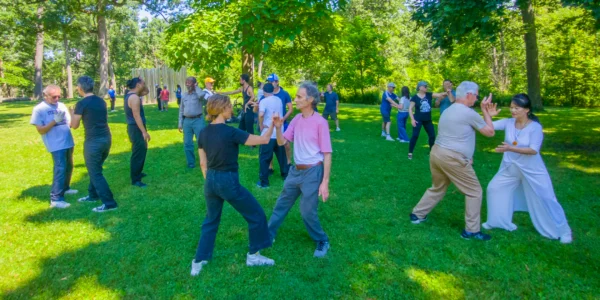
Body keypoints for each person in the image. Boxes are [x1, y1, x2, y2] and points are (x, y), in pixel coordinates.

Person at [191, 94, 278, 276]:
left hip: (210, 181)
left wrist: (211, 180)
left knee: (211, 220)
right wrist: (272, 128)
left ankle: (199, 261)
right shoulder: (230, 132)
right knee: (256, 215)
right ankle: (254, 256)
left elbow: (202, 163)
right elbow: (262, 140)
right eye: (229, 106)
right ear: (222, 109)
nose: (231, 109)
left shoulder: (204, 132)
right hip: (227, 181)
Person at [409, 81, 499, 240]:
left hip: (437, 154)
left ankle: (417, 214)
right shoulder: (468, 112)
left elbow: (459, 134)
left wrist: (468, 155)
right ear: (469, 95)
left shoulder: (448, 111)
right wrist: (485, 111)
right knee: (474, 192)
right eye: (476, 96)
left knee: (438, 187)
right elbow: (490, 132)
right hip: (452, 157)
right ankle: (471, 231)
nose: (477, 99)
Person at [483, 94, 572, 243]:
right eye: (511, 107)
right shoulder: (509, 122)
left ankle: (564, 231)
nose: (513, 110)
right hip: (510, 168)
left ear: (527, 110)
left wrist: (510, 148)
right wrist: (487, 114)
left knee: (546, 198)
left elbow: (533, 150)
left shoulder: (535, 127)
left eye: (516, 108)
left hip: (533, 170)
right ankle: (498, 222)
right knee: (494, 188)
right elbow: (488, 128)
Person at [268, 82, 333, 258]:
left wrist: (325, 182)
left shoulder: (321, 122)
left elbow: (327, 154)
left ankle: (322, 239)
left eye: (299, 97)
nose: (295, 99)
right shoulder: (296, 119)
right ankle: (268, 234)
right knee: (282, 203)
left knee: (307, 211)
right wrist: (279, 127)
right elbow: (282, 143)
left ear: (310, 100)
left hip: (313, 172)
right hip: (295, 171)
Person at [70, 76, 118, 213]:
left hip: (93, 142)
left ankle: (109, 203)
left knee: (95, 172)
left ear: (80, 88)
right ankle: (93, 195)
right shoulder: (101, 101)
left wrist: (71, 113)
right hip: (106, 139)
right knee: (95, 168)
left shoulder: (81, 104)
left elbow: (74, 125)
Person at [30, 85, 78, 209]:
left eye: (58, 96)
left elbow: (70, 124)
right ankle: (56, 199)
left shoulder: (61, 106)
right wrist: (54, 121)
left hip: (67, 141)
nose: (57, 99)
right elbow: (41, 130)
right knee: (60, 168)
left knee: (69, 166)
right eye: (53, 97)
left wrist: (73, 114)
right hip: (55, 144)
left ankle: (65, 188)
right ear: (45, 96)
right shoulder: (39, 109)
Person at [257, 83, 288, 188]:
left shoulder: (264, 101)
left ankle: (264, 182)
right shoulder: (278, 100)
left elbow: (261, 114)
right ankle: (285, 175)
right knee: (282, 156)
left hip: (268, 133)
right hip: (279, 132)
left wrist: (261, 125)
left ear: (264, 91)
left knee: (264, 158)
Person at [408, 81, 447, 160]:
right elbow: (410, 109)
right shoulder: (415, 97)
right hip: (418, 120)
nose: (426, 87)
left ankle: (431, 152)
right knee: (415, 136)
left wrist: (447, 92)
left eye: (426, 86)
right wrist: (412, 119)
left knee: (432, 135)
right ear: (420, 87)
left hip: (428, 120)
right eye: (425, 86)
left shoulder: (429, 95)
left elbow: (439, 94)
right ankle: (410, 153)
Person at [124, 77, 151, 188]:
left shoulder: (130, 94)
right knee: (138, 153)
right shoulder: (134, 98)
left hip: (135, 127)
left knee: (142, 150)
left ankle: (138, 172)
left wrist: (142, 84)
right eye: (143, 83)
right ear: (138, 85)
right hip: (136, 128)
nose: (144, 85)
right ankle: (135, 179)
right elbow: (136, 116)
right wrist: (144, 132)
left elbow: (146, 91)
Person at [178, 77, 207, 169]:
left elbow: (202, 95)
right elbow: (181, 110)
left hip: (198, 120)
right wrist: (180, 123)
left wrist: (196, 87)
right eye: (186, 82)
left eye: (189, 82)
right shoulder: (184, 95)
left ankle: (205, 160)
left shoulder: (198, 94)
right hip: (187, 121)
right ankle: (191, 163)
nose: (187, 84)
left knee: (202, 141)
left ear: (194, 84)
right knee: (187, 143)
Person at [267, 73, 293, 164]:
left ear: (277, 82)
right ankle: (270, 167)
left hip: (283, 123)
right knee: (269, 145)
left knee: (286, 144)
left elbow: (290, 109)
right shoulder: (266, 94)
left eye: (272, 82)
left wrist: (283, 119)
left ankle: (288, 162)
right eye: (268, 82)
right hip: (270, 124)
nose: (270, 83)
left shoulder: (284, 94)